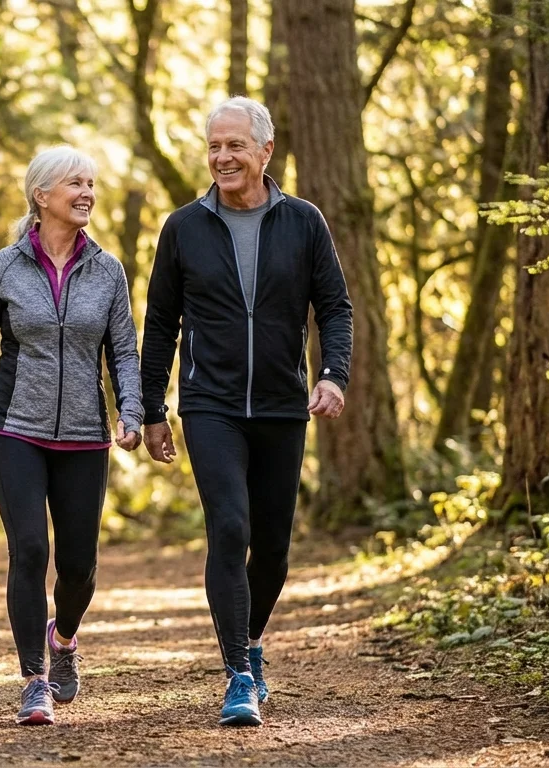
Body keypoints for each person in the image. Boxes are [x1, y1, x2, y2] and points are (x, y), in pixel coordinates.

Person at [138, 96, 353, 727]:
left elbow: (334, 306)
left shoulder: (304, 221)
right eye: (213, 147)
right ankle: (238, 674)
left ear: (266, 149)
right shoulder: (183, 227)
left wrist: (333, 375)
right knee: (230, 529)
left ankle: (252, 640)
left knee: (276, 549)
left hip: (284, 406)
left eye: (235, 145)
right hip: (212, 404)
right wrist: (153, 407)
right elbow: (159, 323)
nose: (223, 157)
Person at [0, 146, 144, 726]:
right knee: (29, 550)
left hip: (84, 435)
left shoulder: (108, 270)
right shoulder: (2, 268)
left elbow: (123, 349)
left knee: (79, 567)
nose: (87, 194)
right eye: (75, 183)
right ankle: (34, 681)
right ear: (41, 195)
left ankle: (65, 638)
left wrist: (132, 408)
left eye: (92, 184)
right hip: (11, 429)